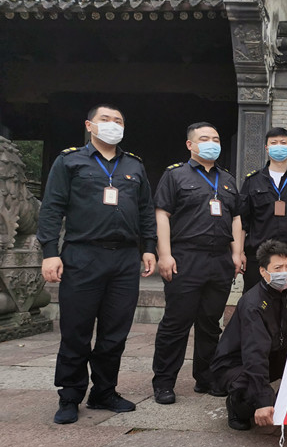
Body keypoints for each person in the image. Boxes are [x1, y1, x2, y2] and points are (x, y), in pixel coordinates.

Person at [37, 104, 157, 425]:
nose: (113, 124)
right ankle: (70, 395)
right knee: (76, 330)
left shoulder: (134, 165)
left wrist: (149, 248)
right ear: (89, 125)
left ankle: (104, 391)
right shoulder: (69, 161)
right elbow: (52, 207)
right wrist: (50, 251)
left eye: (118, 120)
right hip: (82, 255)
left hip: (124, 258)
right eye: (106, 119)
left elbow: (146, 210)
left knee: (114, 332)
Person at [150, 122, 244, 405]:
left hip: (220, 260)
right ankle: (164, 382)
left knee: (210, 323)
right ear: (190, 144)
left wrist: (237, 253)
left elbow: (236, 218)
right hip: (185, 257)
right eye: (204, 138)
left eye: (215, 138)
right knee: (176, 323)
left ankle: (206, 377)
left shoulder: (227, 179)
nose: (211, 143)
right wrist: (164, 254)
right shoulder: (175, 175)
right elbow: (162, 215)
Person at [210, 239, 287, 431]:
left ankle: (281, 403)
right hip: (237, 363)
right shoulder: (253, 304)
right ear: (263, 271)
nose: (284, 273)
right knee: (253, 393)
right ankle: (237, 405)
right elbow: (254, 353)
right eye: (277, 268)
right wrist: (264, 401)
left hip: (273, 352)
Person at [240, 127, 287, 291]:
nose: (279, 146)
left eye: (283, 143)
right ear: (267, 148)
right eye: (274, 143)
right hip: (258, 258)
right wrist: (239, 253)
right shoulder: (252, 181)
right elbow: (242, 222)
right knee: (255, 301)